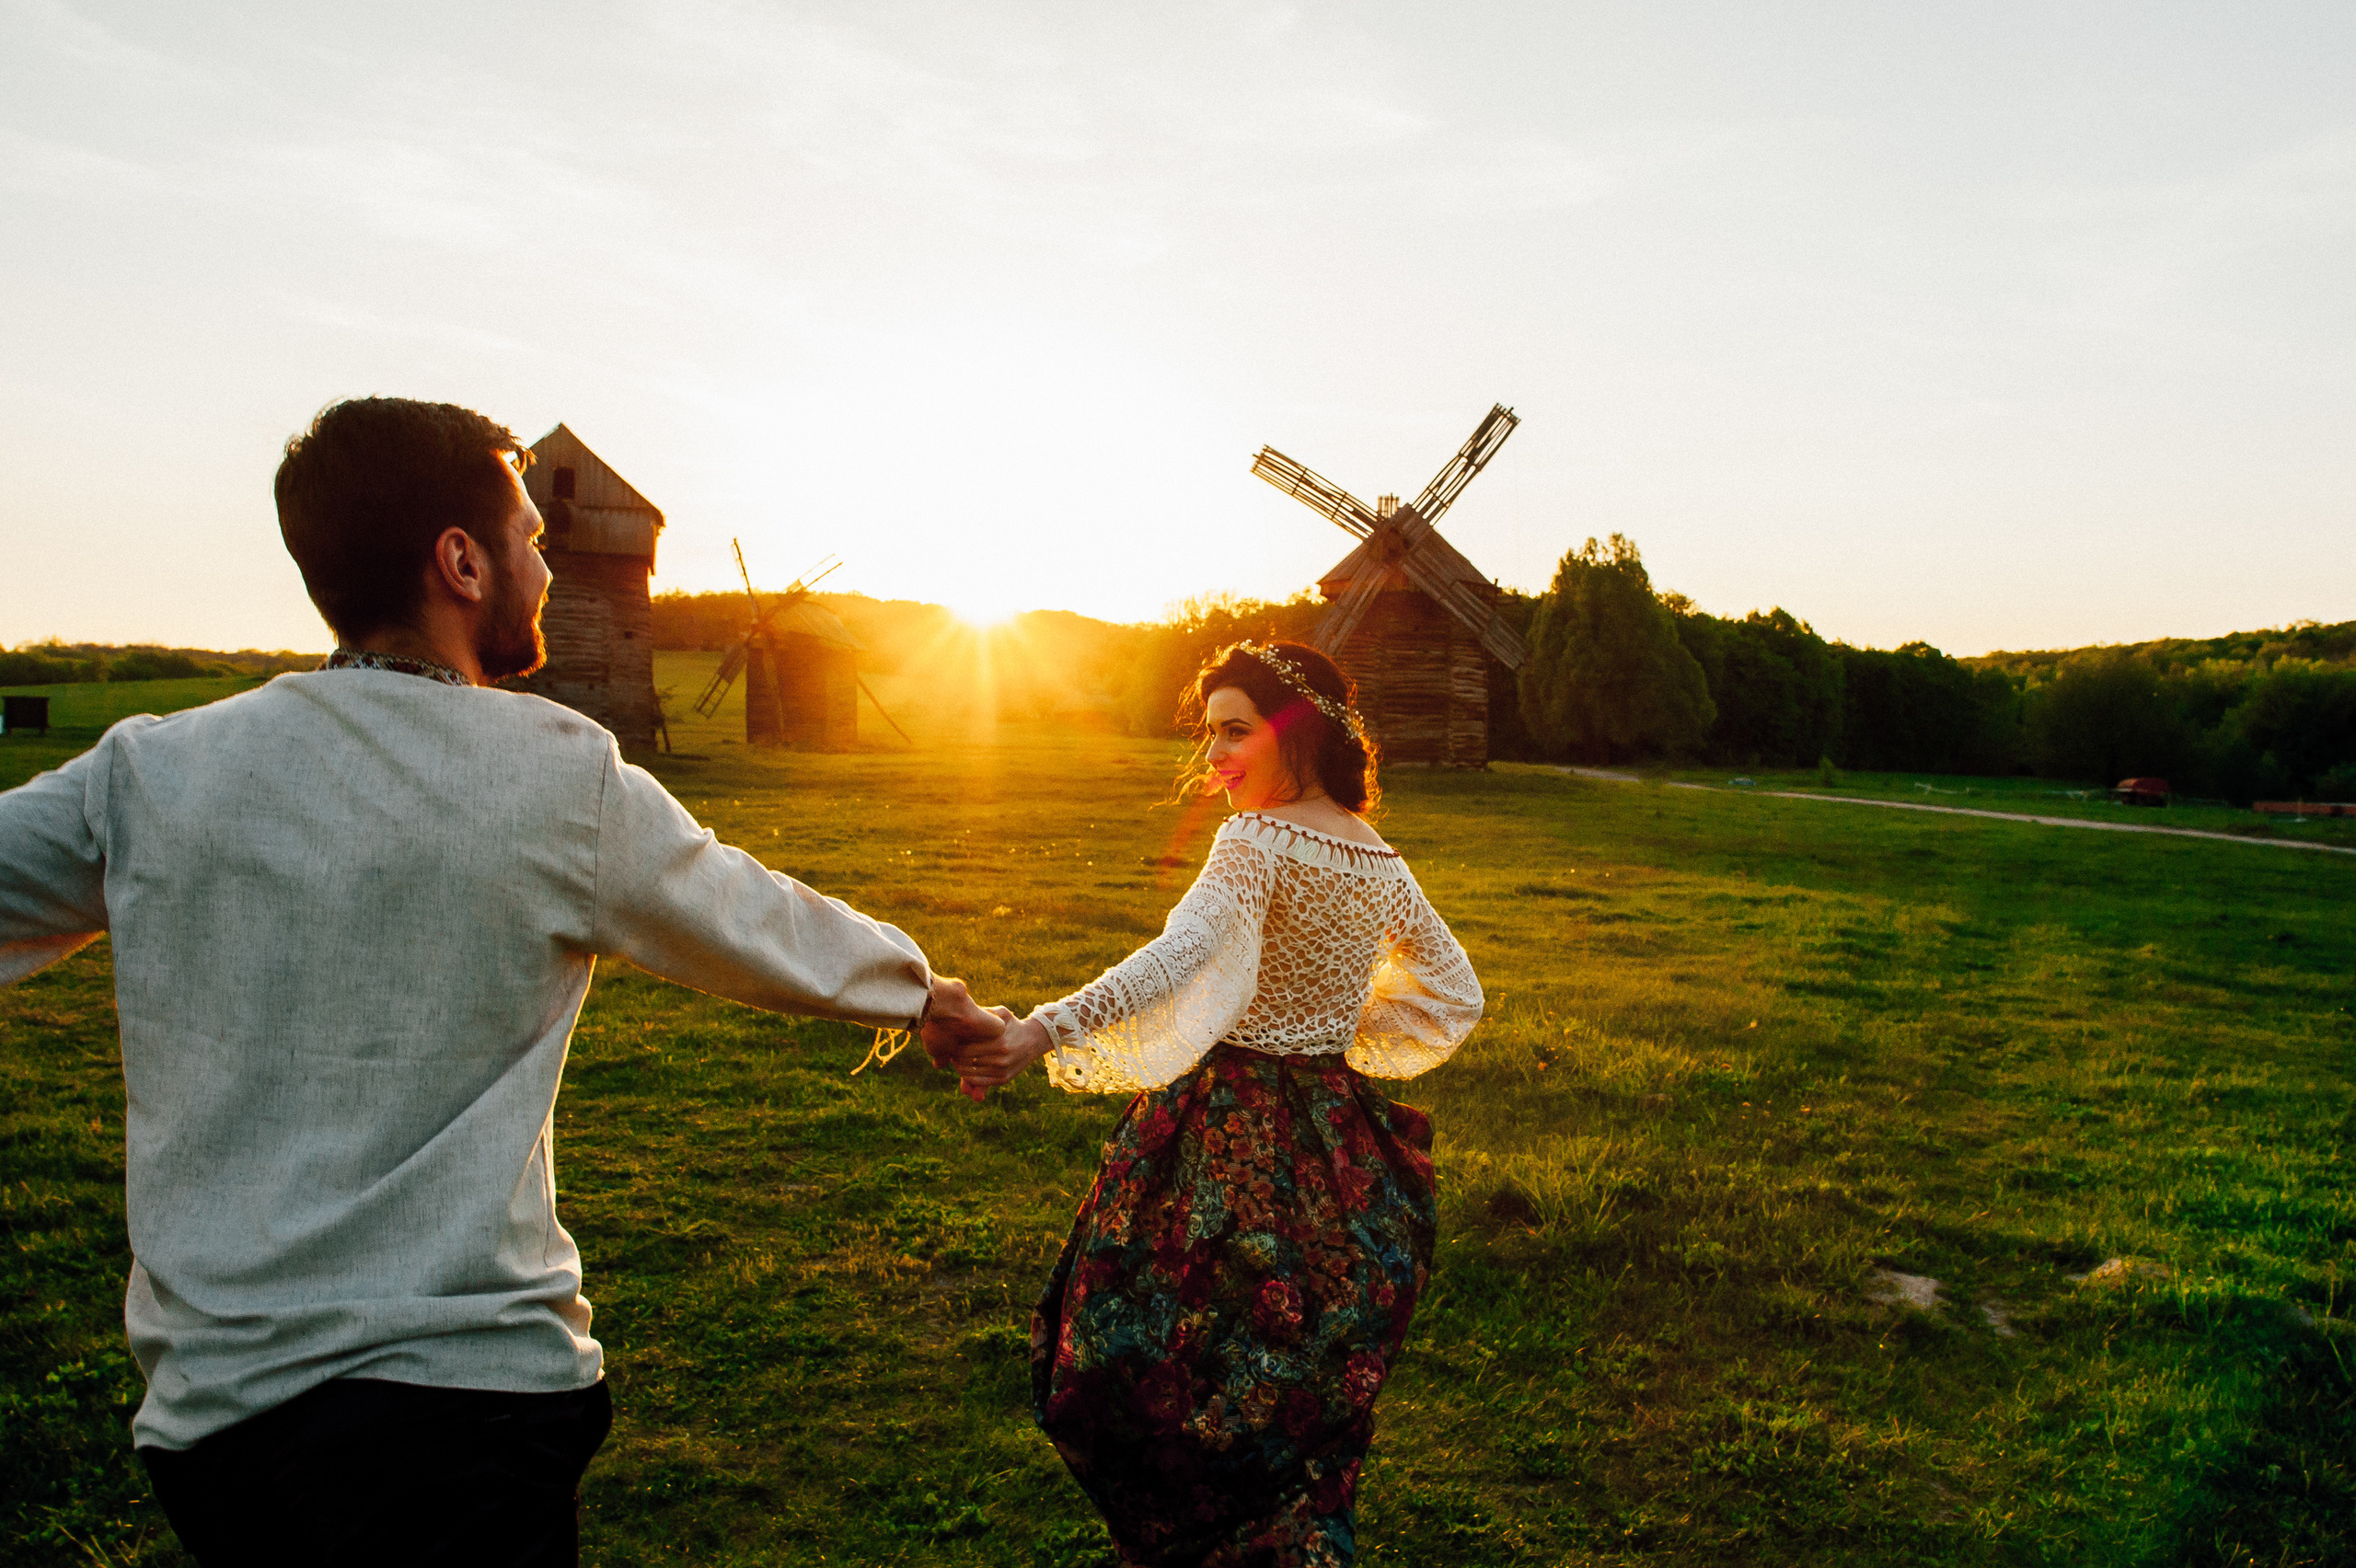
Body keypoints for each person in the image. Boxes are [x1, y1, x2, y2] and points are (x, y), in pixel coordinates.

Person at [0, 398, 1006, 1565]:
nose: (545, 566)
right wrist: (918, 993)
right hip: (457, 1410)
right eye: (530, 537)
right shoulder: (551, 773)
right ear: (461, 561)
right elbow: (736, 908)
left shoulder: (148, 771)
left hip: (214, 1431)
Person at [941, 640, 1483, 1567]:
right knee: (1287, 1375)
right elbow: (1452, 992)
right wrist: (1333, 1013)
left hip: (1226, 1135)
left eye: (1233, 731)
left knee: (1127, 1356)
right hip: (1336, 1146)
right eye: (1209, 734)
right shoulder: (1380, 861)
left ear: (1293, 729)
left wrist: (1041, 1029)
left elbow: (1180, 957)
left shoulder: (1255, 840)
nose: (1215, 756)